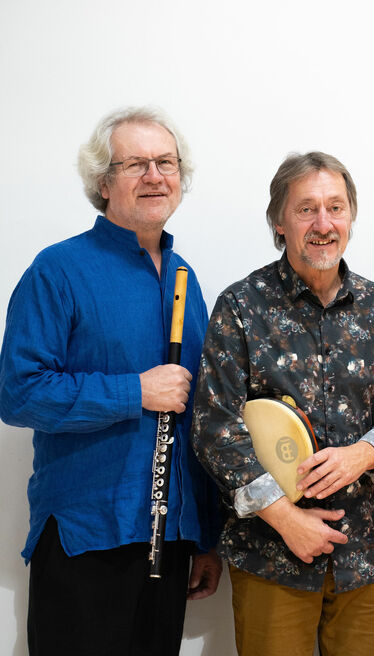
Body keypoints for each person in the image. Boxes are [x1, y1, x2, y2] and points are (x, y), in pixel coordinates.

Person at [0, 106, 221, 656]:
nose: (155, 176)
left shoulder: (186, 279)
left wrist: (205, 536)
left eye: (166, 163)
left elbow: (200, 416)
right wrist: (135, 392)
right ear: (103, 182)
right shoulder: (58, 270)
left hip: (169, 541)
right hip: (85, 538)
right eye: (135, 164)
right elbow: (19, 392)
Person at [192, 151, 374, 656]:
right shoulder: (240, 307)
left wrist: (364, 453)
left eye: (335, 207)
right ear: (279, 221)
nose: (323, 223)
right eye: (306, 209)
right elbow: (214, 429)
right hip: (271, 554)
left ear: (351, 216)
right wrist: (285, 519)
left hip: (364, 554)